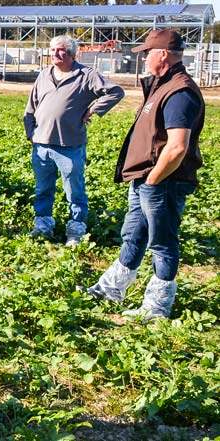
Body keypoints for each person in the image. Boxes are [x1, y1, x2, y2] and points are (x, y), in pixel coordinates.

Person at [88, 29, 204, 319]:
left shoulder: (179, 92)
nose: (142, 57)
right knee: (133, 236)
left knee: (162, 241)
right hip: (145, 179)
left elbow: (177, 147)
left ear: (162, 54)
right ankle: (112, 289)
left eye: (147, 52)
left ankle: (157, 306)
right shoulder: (161, 86)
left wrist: (153, 181)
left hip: (163, 181)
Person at [23, 35, 125, 245]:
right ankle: (43, 224)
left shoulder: (85, 75)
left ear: (71, 53)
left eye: (59, 50)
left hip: (69, 146)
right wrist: (30, 133)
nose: (54, 54)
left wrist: (93, 110)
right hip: (41, 143)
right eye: (52, 50)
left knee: (74, 190)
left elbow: (115, 92)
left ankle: (76, 228)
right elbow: (31, 106)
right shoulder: (44, 75)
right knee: (43, 189)